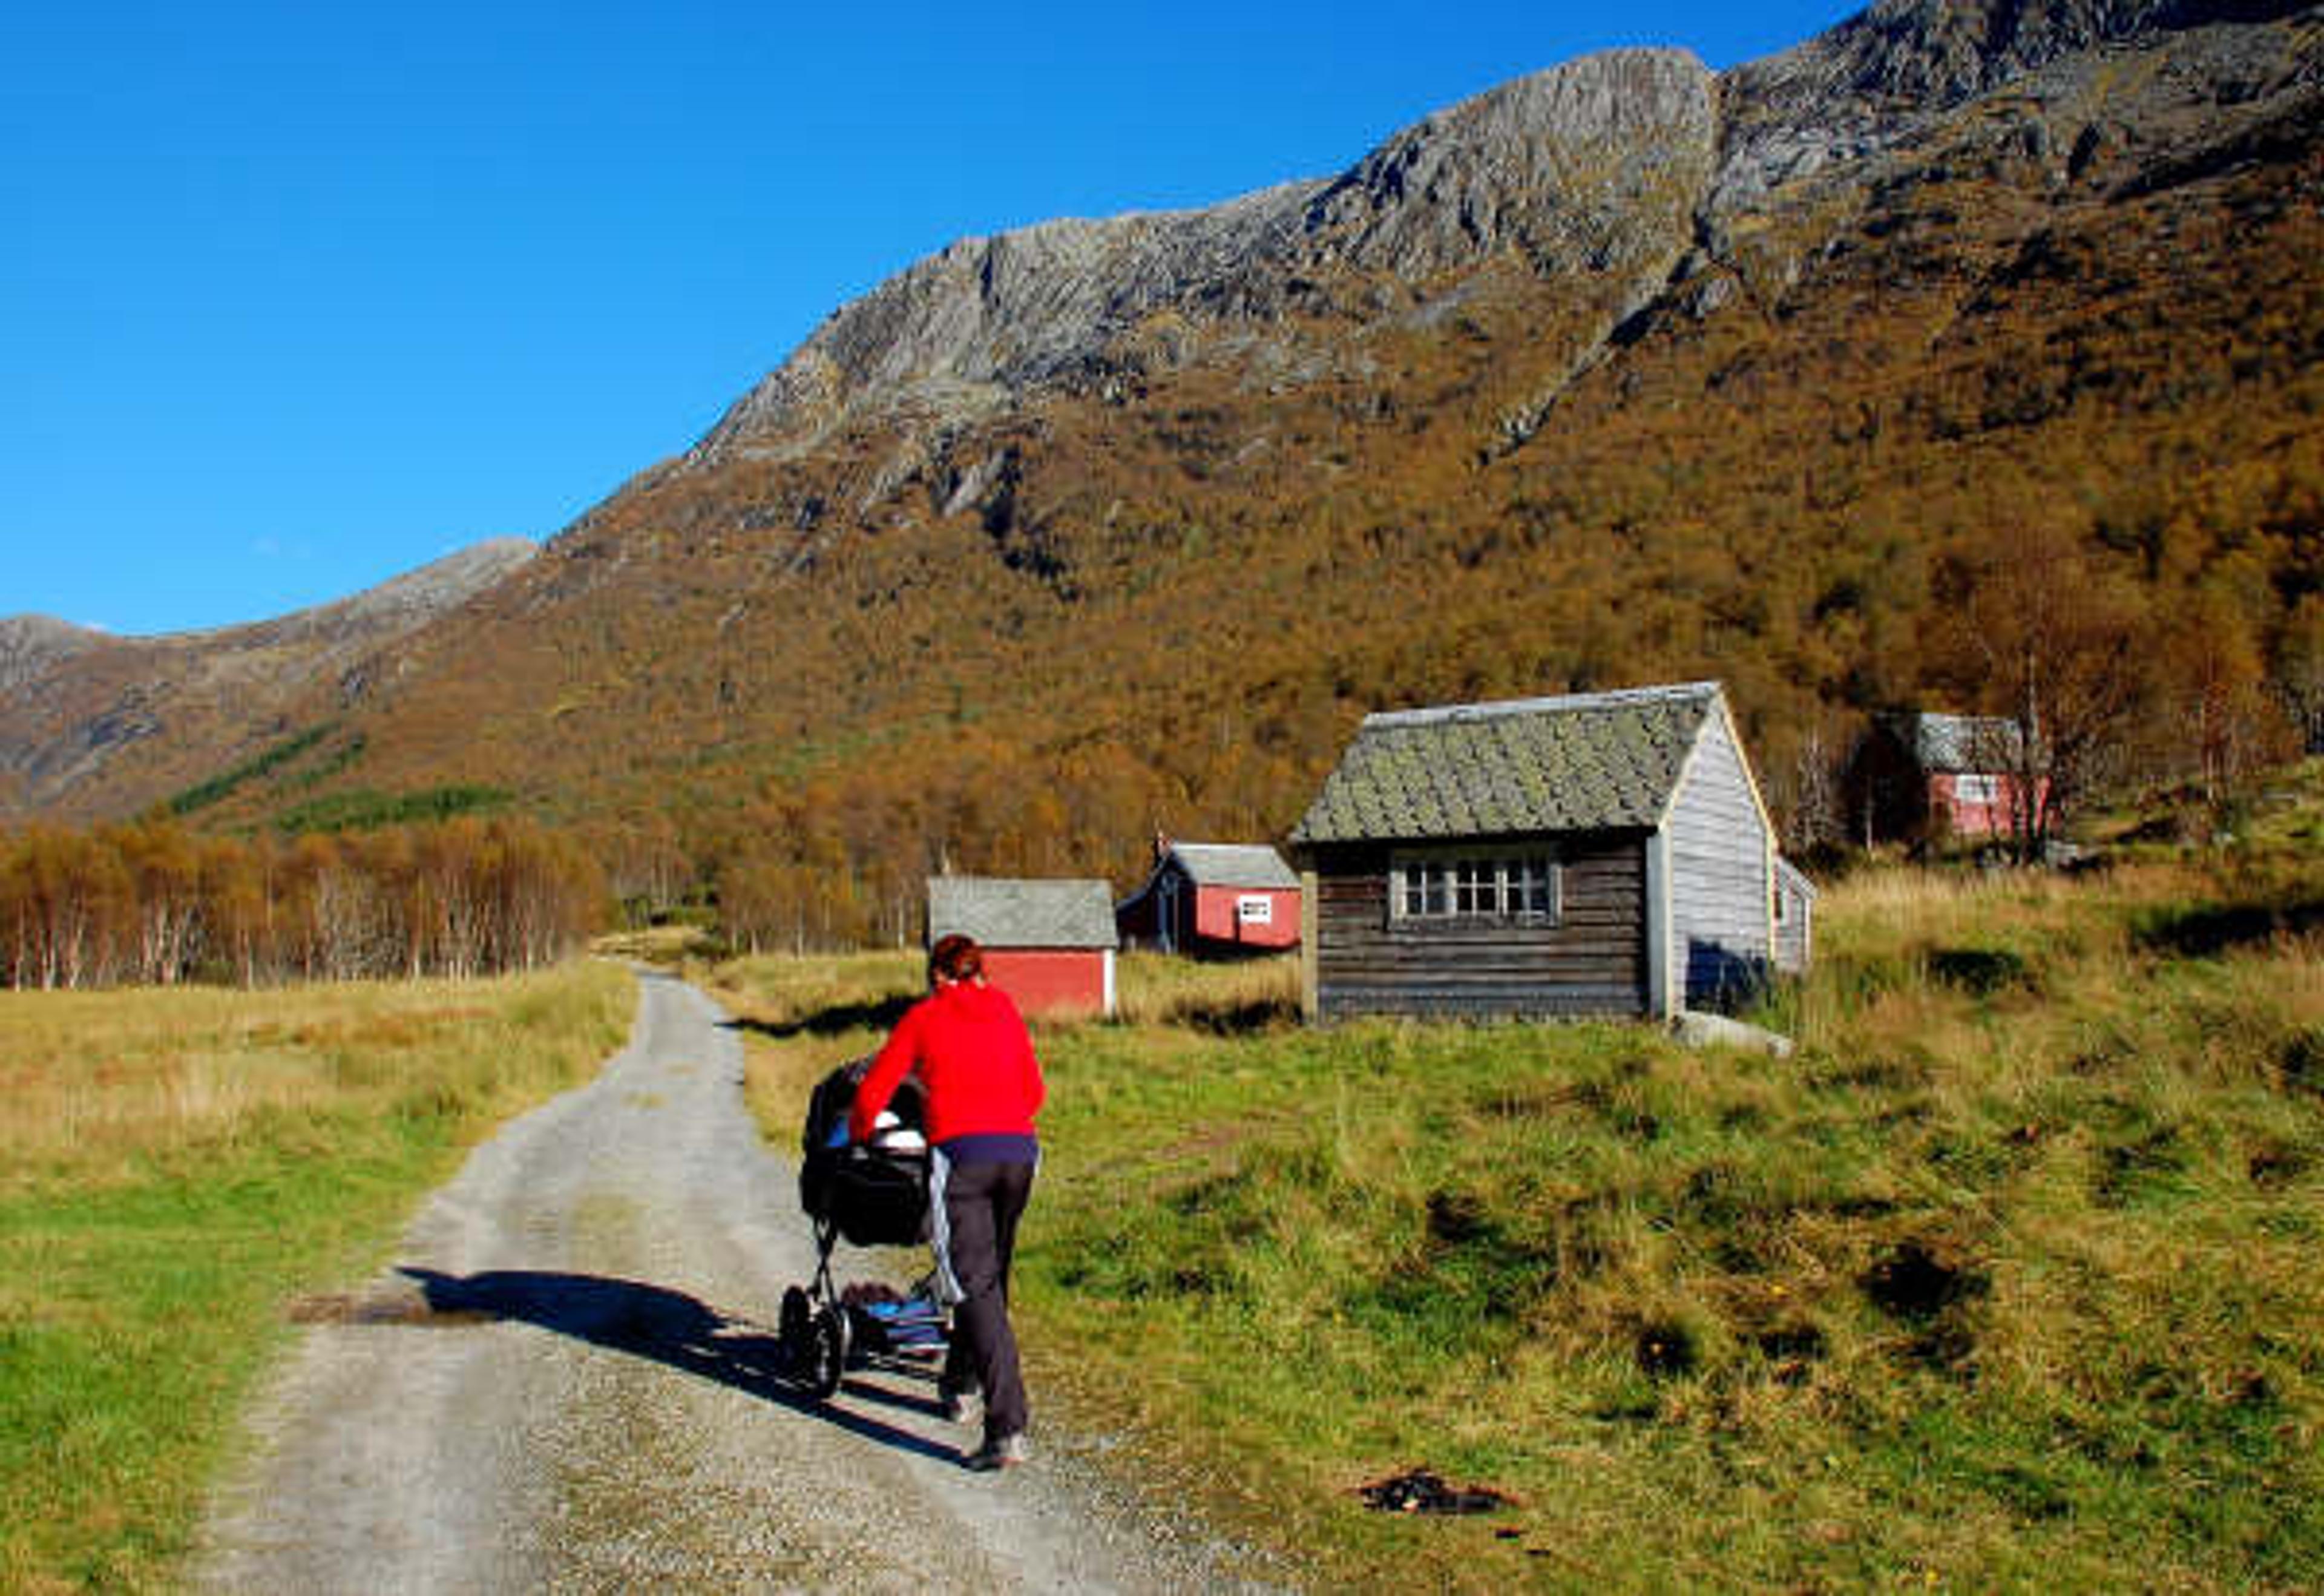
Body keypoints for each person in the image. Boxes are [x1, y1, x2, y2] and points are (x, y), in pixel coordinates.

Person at [850, 933, 1045, 1471]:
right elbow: (1034, 1092)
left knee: (973, 1284)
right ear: (980, 971)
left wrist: (862, 1132)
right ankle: (960, 1383)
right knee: (991, 1276)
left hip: (963, 1158)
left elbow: (873, 1090)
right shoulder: (1004, 1008)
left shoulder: (924, 1018)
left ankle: (1007, 1428)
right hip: (1020, 1155)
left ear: (938, 975)